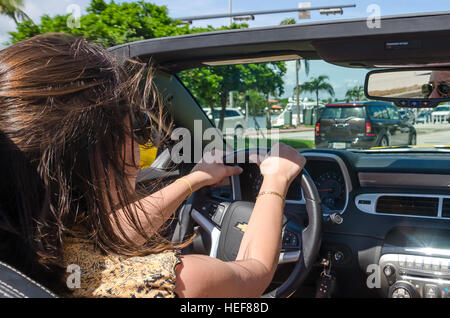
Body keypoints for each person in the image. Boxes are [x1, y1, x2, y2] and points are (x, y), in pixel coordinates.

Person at [0, 33, 306, 298]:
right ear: (95, 156)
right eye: (139, 128)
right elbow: (254, 274)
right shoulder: (173, 282)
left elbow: (117, 229)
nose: (144, 144)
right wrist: (276, 180)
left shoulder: (35, 245)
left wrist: (197, 178)